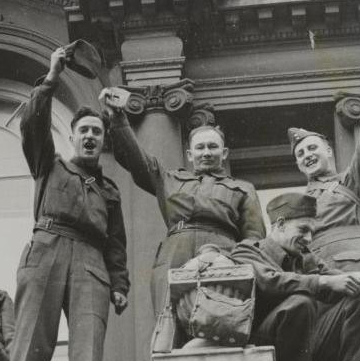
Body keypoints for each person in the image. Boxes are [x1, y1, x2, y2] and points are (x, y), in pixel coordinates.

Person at [5, 45, 130, 361]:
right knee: (32, 332)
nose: (90, 136)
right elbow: (32, 124)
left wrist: (120, 285)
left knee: (88, 336)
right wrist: (53, 76)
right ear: (72, 137)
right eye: (84, 131)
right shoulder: (50, 164)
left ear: (103, 140)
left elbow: (117, 244)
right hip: (47, 247)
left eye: (97, 131)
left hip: (91, 260)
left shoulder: (109, 190)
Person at [103, 87, 265, 313]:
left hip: (223, 255)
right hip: (175, 254)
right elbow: (136, 159)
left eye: (212, 147)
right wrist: (118, 117)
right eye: (200, 147)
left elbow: (254, 238)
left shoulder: (243, 188)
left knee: (219, 319)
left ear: (224, 153)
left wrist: (235, 263)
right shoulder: (169, 180)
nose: (206, 152)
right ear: (190, 154)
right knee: (169, 322)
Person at [228, 193, 360, 361]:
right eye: (303, 230)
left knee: (359, 297)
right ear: (280, 224)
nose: (309, 239)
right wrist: (322, 282)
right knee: (301, 301)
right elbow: (269, 282)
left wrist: (351, 279)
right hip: (263, 354)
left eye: (312, 232)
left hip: (303, 352)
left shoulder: (306, 258)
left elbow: (331, 278)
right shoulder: (247, 250)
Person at [288, 62, 360, 361]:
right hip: (317, 271)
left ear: (329, 151)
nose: (306, 154)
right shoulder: (296, 204)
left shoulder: (351, 182)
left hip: (356, 260)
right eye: (300, 153)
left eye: (312, 148)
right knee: (330, 337)